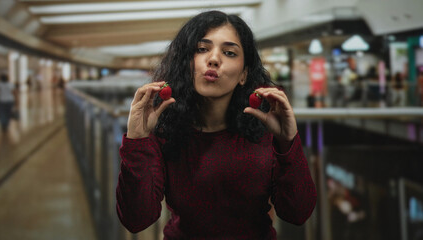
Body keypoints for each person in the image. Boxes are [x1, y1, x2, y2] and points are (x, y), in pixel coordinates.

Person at [116, 11, 317, 239]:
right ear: (186, 62)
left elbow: (298, 213)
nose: (213, 59)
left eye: (229, 52)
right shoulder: (163, 129)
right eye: (202, 49)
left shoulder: (266, 128)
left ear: (243, 74)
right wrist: (137, 140)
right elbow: (136, 219)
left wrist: (288, 143)